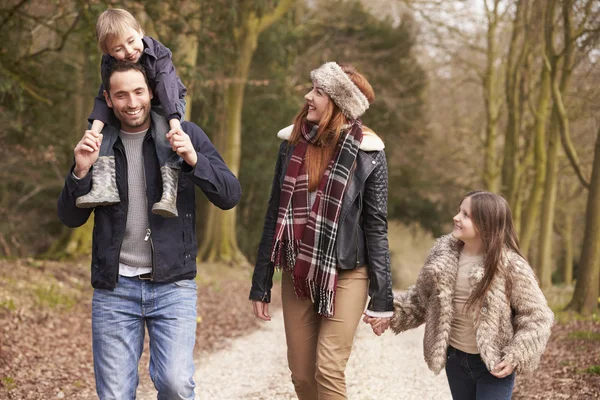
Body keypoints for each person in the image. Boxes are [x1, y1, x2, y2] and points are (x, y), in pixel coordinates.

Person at [57, 60, 241, 399]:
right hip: (115, 290)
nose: (132, 102)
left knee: (175, 383)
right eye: (122, 95)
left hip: (173, 287)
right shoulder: (100, 142)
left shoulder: (184, 134)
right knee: (114, 394)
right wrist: (80, 173)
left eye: (139, 92)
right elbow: (70, 218)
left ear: (152, 91)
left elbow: (230, 195)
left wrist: (194, 160)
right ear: (108, 100)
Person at [249, 61, 394, 399]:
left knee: (328, 369)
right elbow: (274, 213)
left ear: (339, 103)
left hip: (348, 273)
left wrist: (382, 296)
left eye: (318, 92)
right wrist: (261, 282)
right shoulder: (291, 145)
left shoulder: (369, 153)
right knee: (302, 375)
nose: (307, 96)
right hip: (297, 270)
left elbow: (376, 226)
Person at [365, 191, 554, 400]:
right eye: (459, 211)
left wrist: (516, 355)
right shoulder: (443, 256)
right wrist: (388, 313)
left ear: (486, 224)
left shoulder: (510, 265)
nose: (456, 217)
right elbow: (420, 301)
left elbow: (537, 316)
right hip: (456, 360)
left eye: (466, 215)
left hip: (494, 363)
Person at [76, 8, 188, 218]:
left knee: (163, 134)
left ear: (140, 31)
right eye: (118, 48)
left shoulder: (159, 54)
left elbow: (167, 88)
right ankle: (104, 186)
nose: (128, 51)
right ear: (108, 52)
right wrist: (94, 132)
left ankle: (169, 193)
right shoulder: (109, 64)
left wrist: (174, 123)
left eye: (131, 40)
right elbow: (105, 96)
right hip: (130, 102)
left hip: (167, 102)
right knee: (102, 131)